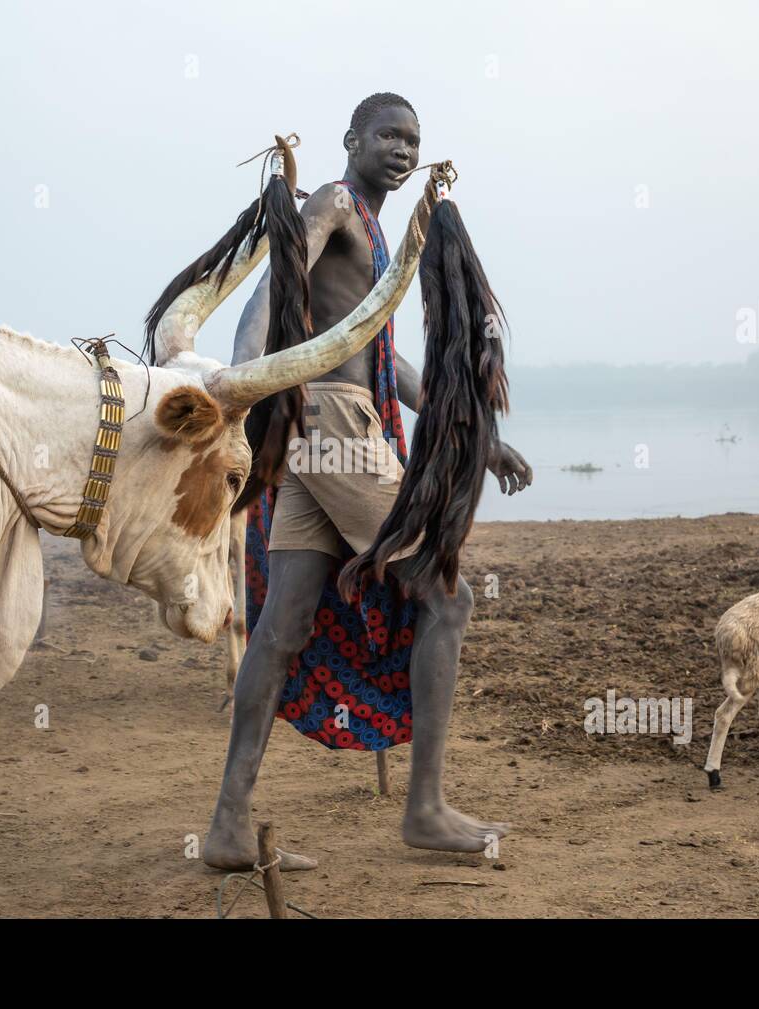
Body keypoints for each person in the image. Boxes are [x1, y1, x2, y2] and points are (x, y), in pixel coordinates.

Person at [204, 92, 533, 871]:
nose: (403, 148)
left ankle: (226, 824)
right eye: (388, 134)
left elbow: (388, 359)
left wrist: (484, 442)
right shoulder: (336, 204)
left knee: (283, 623)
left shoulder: (383, 237)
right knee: (446, 596)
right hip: (335, 425)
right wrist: (238, 384)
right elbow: (276, 285)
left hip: (315, 434)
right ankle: (424, 809)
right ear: (352, 139)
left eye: (413, 139)